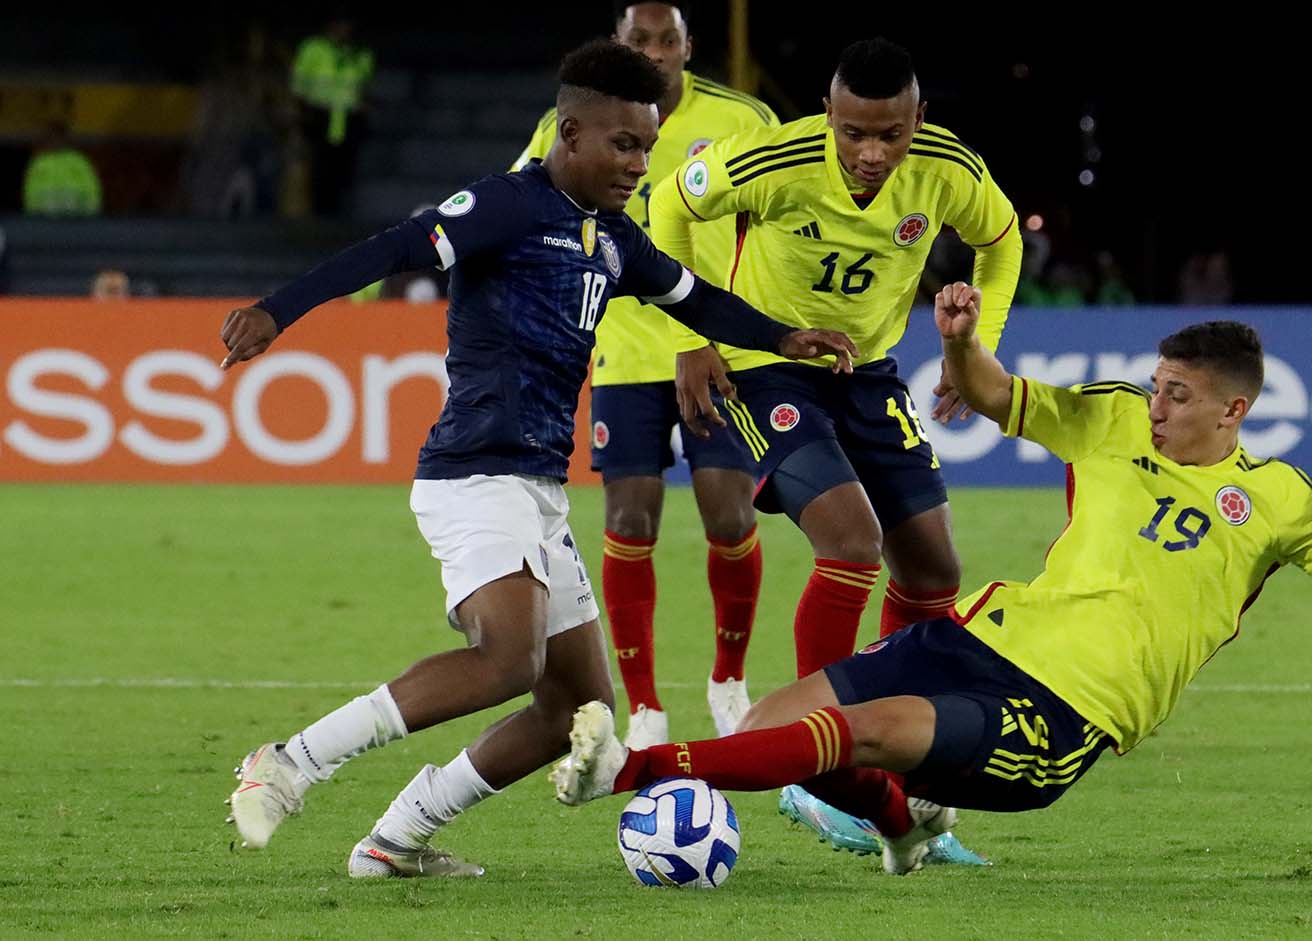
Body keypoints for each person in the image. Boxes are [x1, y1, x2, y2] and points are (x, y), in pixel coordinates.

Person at [551, 286, 1312, 876]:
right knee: (769, 730)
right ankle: (905, 829)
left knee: (857, 732)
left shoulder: (1280, 499)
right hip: (978, 637)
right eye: (1154, 384)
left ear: (1235, 408)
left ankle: (624, 771)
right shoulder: (1109, 419)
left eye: (1177, 394)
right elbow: (989, 392)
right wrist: (956, 342)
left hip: (1066, 710)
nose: (1155, 404)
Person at [221, 39, 856, 879]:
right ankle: (291, 762)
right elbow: (394, 248)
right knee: (506, 658)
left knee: (577, 707)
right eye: (623, 145)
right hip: (472, 476)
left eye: (648, 148)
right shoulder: (505, 207)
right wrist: (278, 309)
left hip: (537, 491)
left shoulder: (611, 238)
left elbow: (691, 296)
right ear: (569, 132)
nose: (638, 164)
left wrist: (780, 336)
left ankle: (394, 841)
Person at [647, 36, 1020, 860]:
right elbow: (670, 204)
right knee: (850, 540)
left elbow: (1002, 242)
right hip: (767, 366)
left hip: (867, 371)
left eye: (889, 133)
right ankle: (819, 769)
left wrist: (976, 352)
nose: (870, 152)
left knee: (931, 571)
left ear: (917, 119)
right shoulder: (770, 160)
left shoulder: (948, 169)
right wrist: (693, 331)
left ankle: (894, 768)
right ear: (828, 113)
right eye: (853, 132)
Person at [510, 3, 779, 749]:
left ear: (689, 48)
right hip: (624, 350)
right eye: (640, 41)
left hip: (717, 349)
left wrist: (730, 329)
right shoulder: (571, 122)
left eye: (668, 41)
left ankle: (728, 680)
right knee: (631, 520)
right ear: (616, 46)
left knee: (730, 516)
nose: (655, 53)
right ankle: (647, 706)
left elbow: (780, 223)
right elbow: (527, 209)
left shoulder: (743, 119)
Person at [291, 17, 373, 216]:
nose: (343, 30)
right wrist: (301, 112)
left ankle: (338, 214)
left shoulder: (360, 53)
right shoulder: (313, 48)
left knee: (343, 168)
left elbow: (364, 85)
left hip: (348, 119)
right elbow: (299, 82)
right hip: (317, 115)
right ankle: (316, 213)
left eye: (347, 25)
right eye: (339, 24)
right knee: (318, 167)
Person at [23, 121, 102, 217]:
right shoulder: (39, 163)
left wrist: (91, 215)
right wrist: (33, 216)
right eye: (51, 137)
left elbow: (92, 190)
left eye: (58, 137)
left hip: (77, 220)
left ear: (65, 139)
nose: (55, 141)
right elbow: (29, 192)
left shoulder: (79, 161)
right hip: (44, 221)